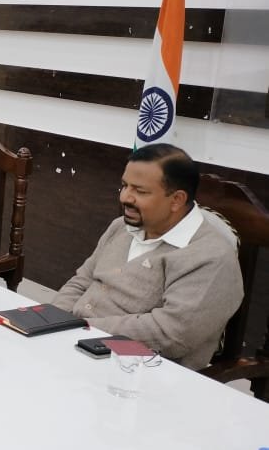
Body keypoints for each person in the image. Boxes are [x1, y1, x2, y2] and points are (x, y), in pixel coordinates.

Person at [51, 144, 242, 370]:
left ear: (177, 200)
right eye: (124, 186)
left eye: (140, 192)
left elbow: (170, 334)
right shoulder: (121, 227)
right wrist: (51, 322)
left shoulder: (212, 257)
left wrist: (82, 329)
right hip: (74, 347)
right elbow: (81, 281)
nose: (125, 197)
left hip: (139, 372)